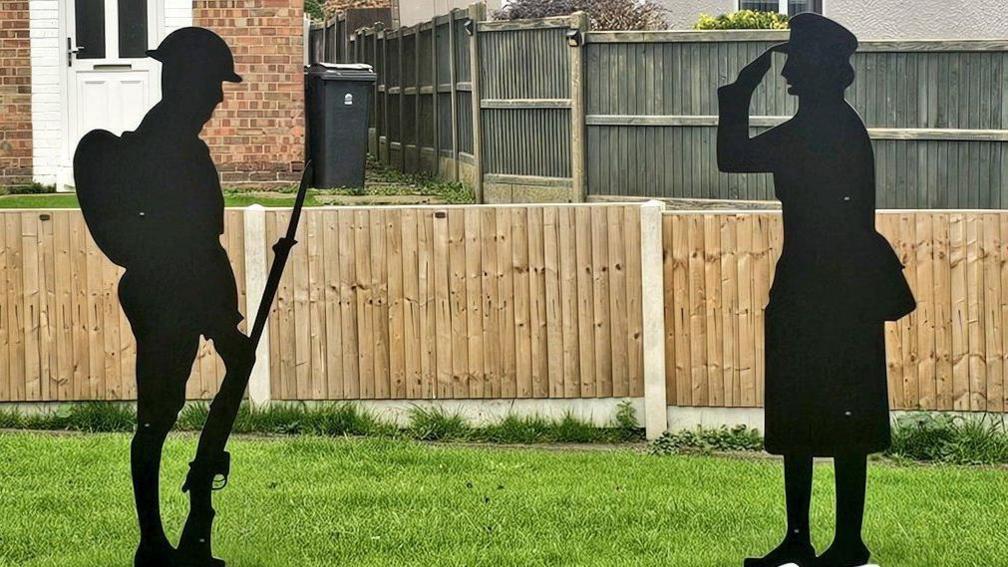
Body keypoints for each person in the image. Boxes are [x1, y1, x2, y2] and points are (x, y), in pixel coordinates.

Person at [716, 14, 915, 567]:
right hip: (829, 287)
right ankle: (813, 542)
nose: (787, 73)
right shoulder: (829, 124)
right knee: (817, 414)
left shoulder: (820, 128)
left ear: (821, 69)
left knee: (820, 414)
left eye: (796, 61)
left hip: (821, 288)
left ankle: (835, 543)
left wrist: (736, 97)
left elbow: (733, 157)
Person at [73, 27, 254, 567]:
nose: (219, 98)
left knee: (159, 413)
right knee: (156, 416)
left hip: (183, 290)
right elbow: (190, 244)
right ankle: (154, 542)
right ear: (186, 82)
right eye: (212, 85)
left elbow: (202, 243)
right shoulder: (170, 152)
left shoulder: (173, 145)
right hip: (173, 293)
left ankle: (180, 531)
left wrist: (225, 319)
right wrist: (223, 325)